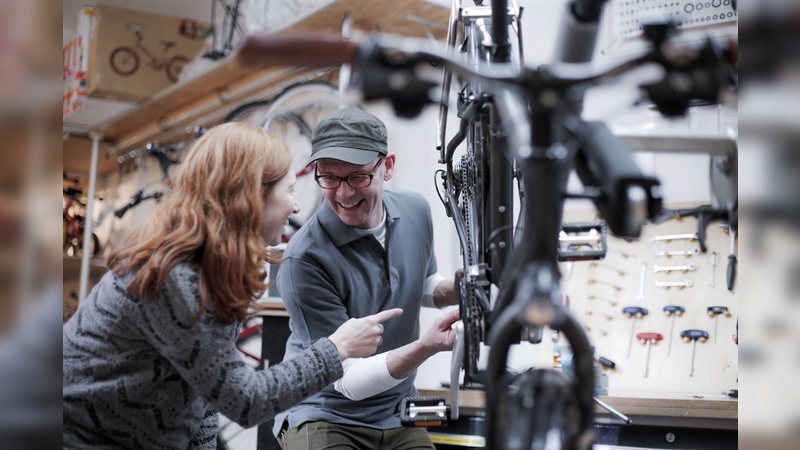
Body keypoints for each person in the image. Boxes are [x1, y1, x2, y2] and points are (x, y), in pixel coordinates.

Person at [62, 122, 404, 449]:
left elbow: (206, 397)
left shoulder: (213, 271)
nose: (296, 205)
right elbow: (246, 400)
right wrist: (336, 348)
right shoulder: (175, 279)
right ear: (249, 197)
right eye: (288, 189)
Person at [274, 107, 461, 449]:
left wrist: (460, 290)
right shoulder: (304, 257)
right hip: (326, 411)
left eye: (358, 176)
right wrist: (426, 347)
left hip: (395, 407)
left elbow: (421, 284)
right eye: (329, 177)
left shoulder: (416, 210)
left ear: (387, 167)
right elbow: (348, 381)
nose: (344, 194)